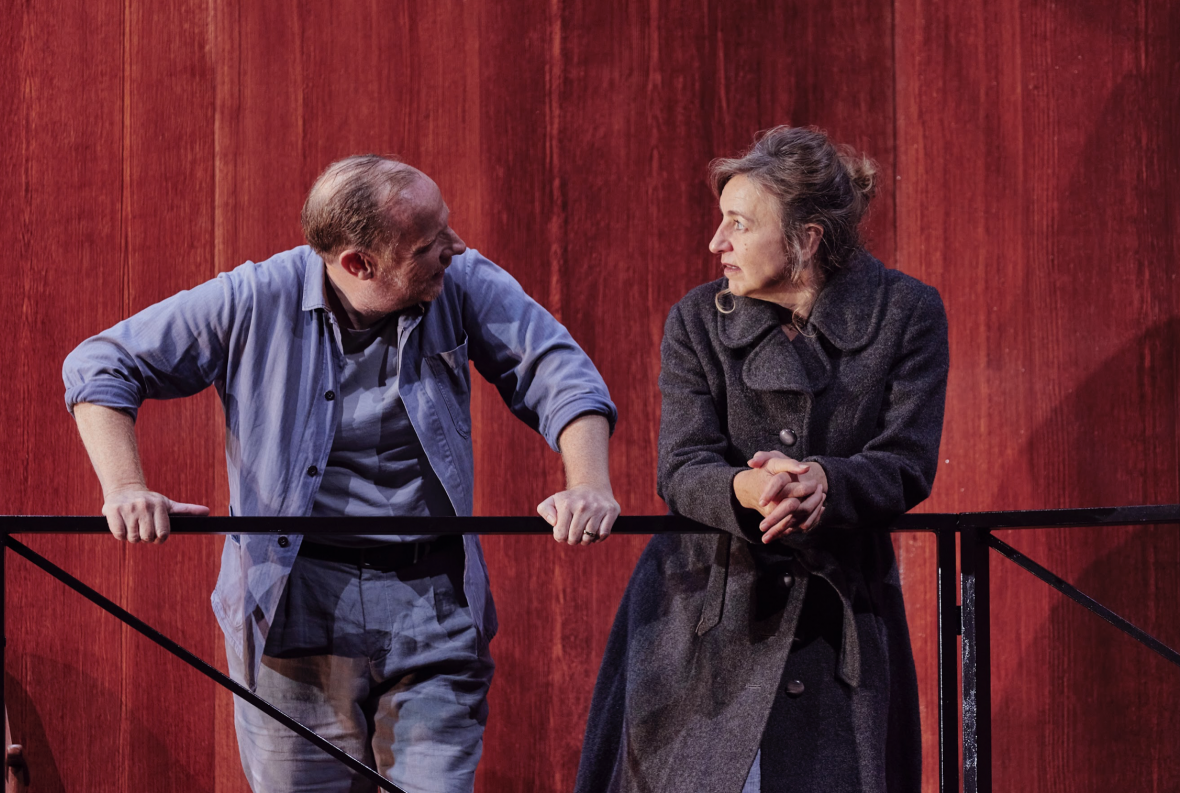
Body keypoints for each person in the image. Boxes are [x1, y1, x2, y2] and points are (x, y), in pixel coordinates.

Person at [63, 155, 621, 793]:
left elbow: (560, 374)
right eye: (428, 242)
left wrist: (588, 481)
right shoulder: (253, 296)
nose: (455, 246)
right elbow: (100, 366)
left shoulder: (460, 279)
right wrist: (126, 487)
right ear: (359, 263)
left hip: (431, 600)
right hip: (292, 605)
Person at [574, 126, 948, 793]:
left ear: (806, 239)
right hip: (706, 624)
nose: (717, 242)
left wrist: (829, 482)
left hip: (839, 621)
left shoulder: (907, 313)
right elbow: (682, 467)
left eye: (739, 225)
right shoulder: (697, 319)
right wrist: (750, 486)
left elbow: (906, 460)